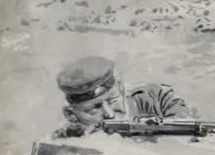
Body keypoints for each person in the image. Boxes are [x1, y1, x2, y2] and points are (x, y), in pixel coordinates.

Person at [55, 56, 193, 137]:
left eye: (113, 100)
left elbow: (190, 132)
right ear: (71, 115)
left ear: (121, 88)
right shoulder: (67, 138)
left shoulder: (155, 98)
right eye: (94, 108)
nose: (109, 114)